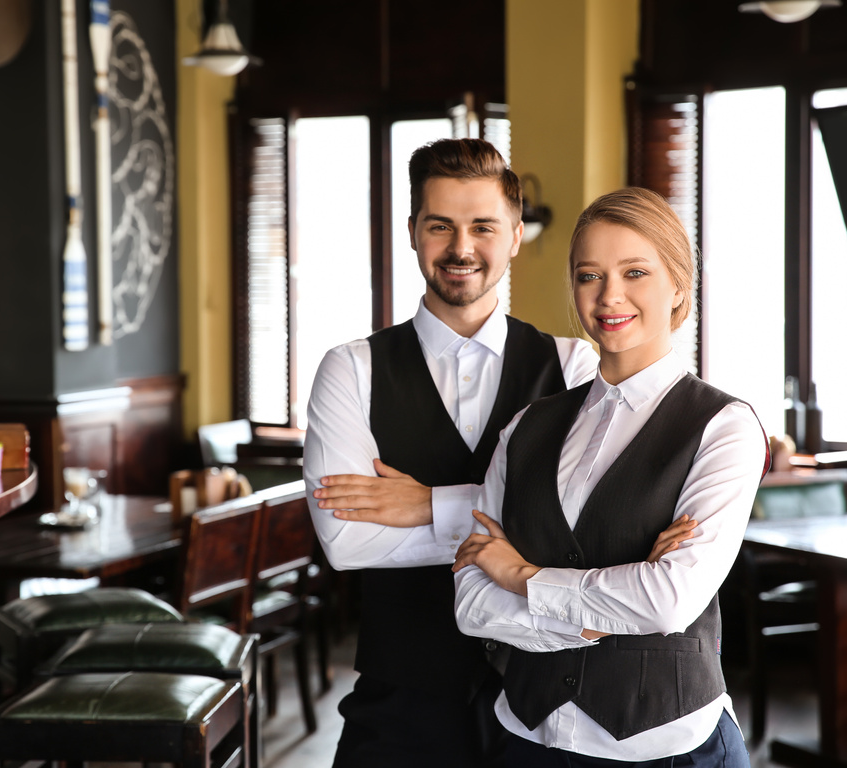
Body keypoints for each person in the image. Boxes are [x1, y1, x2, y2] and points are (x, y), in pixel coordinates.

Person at [302, 138, 601, 768]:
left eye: (483, 227)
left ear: (514, 236)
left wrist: (426, 506)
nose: (461, 248)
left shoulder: (573, 366)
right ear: (413, 232)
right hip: (399, 705)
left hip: (546, 703)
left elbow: (585, 528)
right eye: (440, 226)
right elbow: (346, 541)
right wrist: (516, 526)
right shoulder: (350, 369)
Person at [452, 186, 768, 768]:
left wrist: (521, 575)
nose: (609, 295)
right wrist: (604, 617)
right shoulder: (525, 428)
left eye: (635, 272)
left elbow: (669, 601)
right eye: (589, 275)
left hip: (669, 747)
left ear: (679, 285)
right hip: (528, 740)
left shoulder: (724, 427)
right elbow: (472, 603)